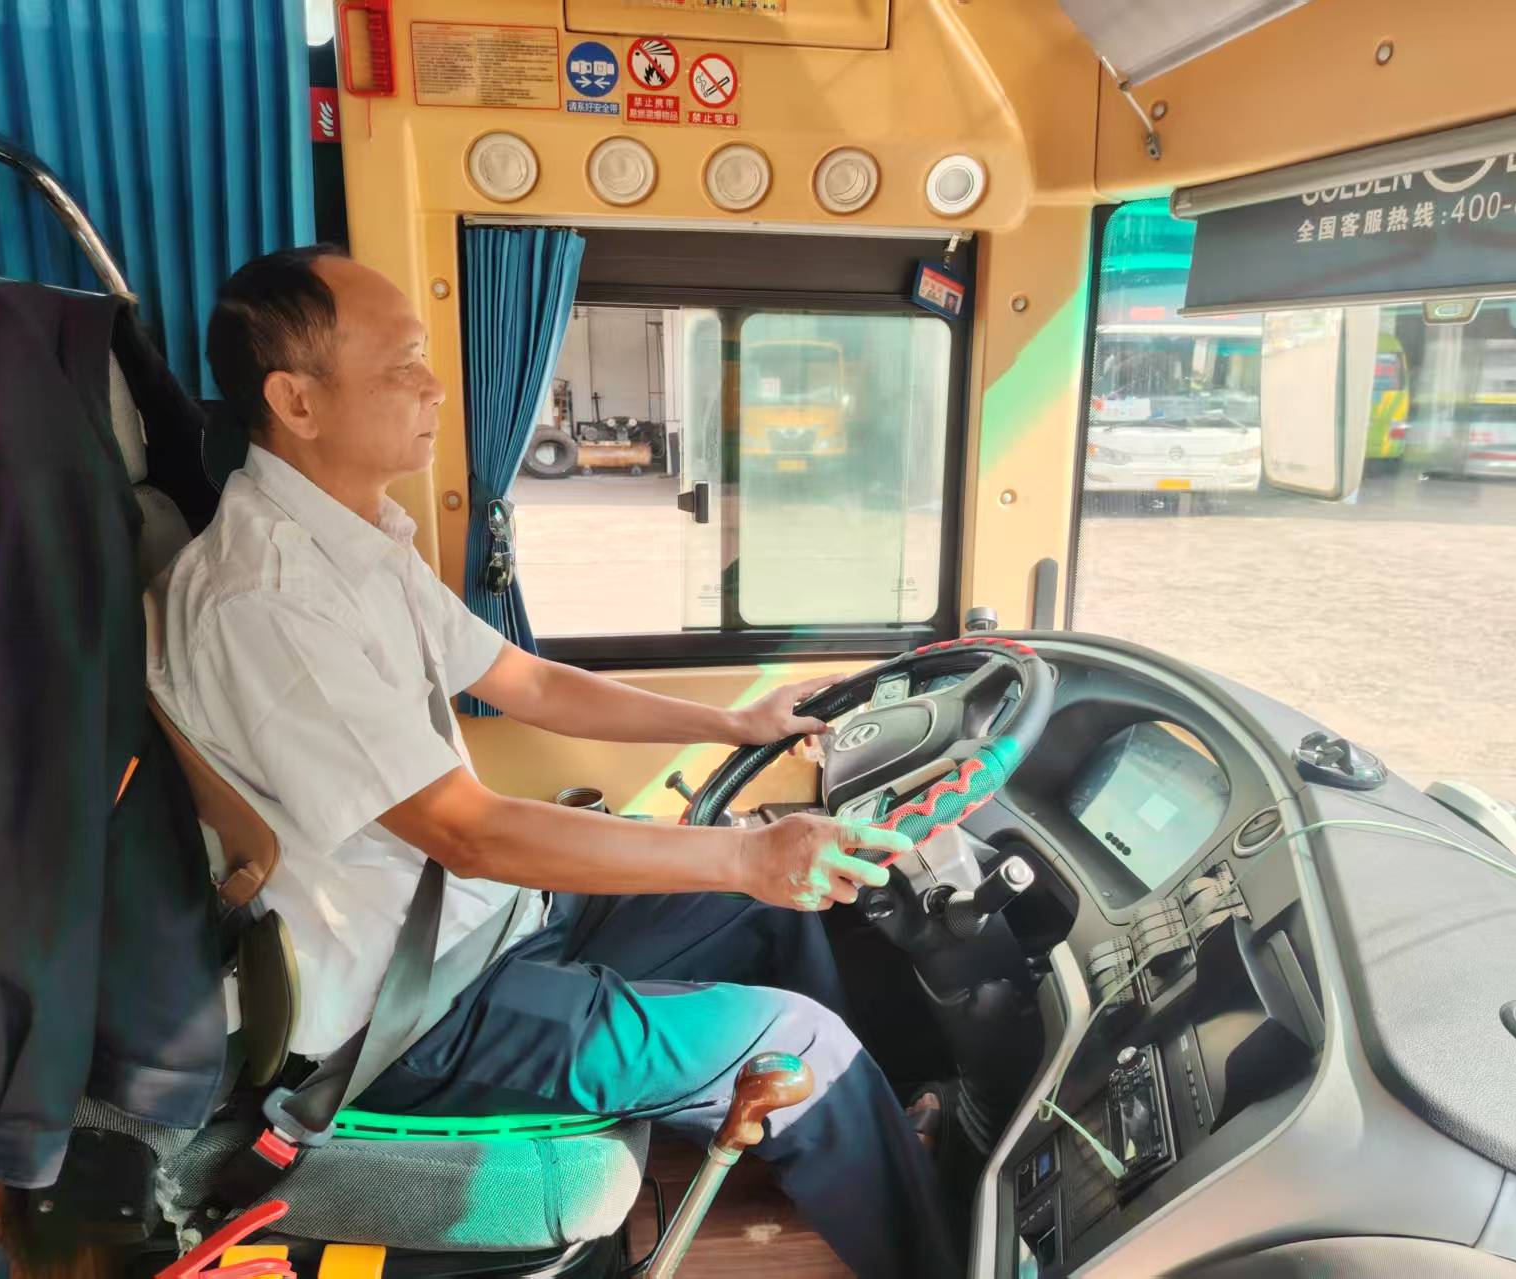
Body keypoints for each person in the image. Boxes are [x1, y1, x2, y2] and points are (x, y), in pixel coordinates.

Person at [147, 246, 960, 1279]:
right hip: (417, 1019)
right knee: (799, 1035)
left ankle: (846, 1145)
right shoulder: (265, 600)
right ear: (295, 400)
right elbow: (468, 831)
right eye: (401, 365)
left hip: (490, 928)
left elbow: (525, 681)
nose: (434, 387)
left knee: (768, 912)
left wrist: (734, 724)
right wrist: (748, 856)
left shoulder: (356, 544)